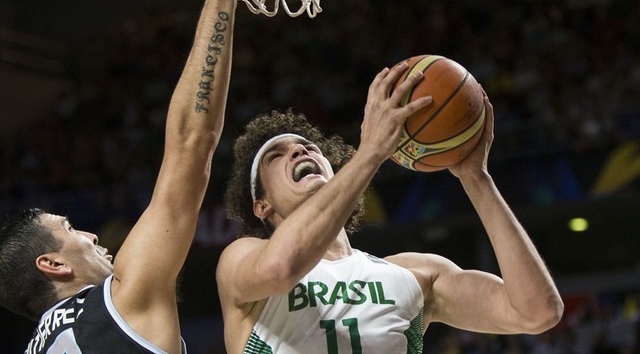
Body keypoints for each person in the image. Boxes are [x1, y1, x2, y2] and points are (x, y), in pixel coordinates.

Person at [0, 0, 243, 354]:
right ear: (53, 265)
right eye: (70, 229)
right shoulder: (119, 299)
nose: (91, 234)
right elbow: (192, 142)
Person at [217, 62, 564, 353]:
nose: (300, 151)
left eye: (309, 147)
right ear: (261, 205)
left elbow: (537, 312)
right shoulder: (243, 260)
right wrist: (371, 152)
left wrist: (476, 178)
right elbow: (281, 268)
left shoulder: (415, 275)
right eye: (276, 156)